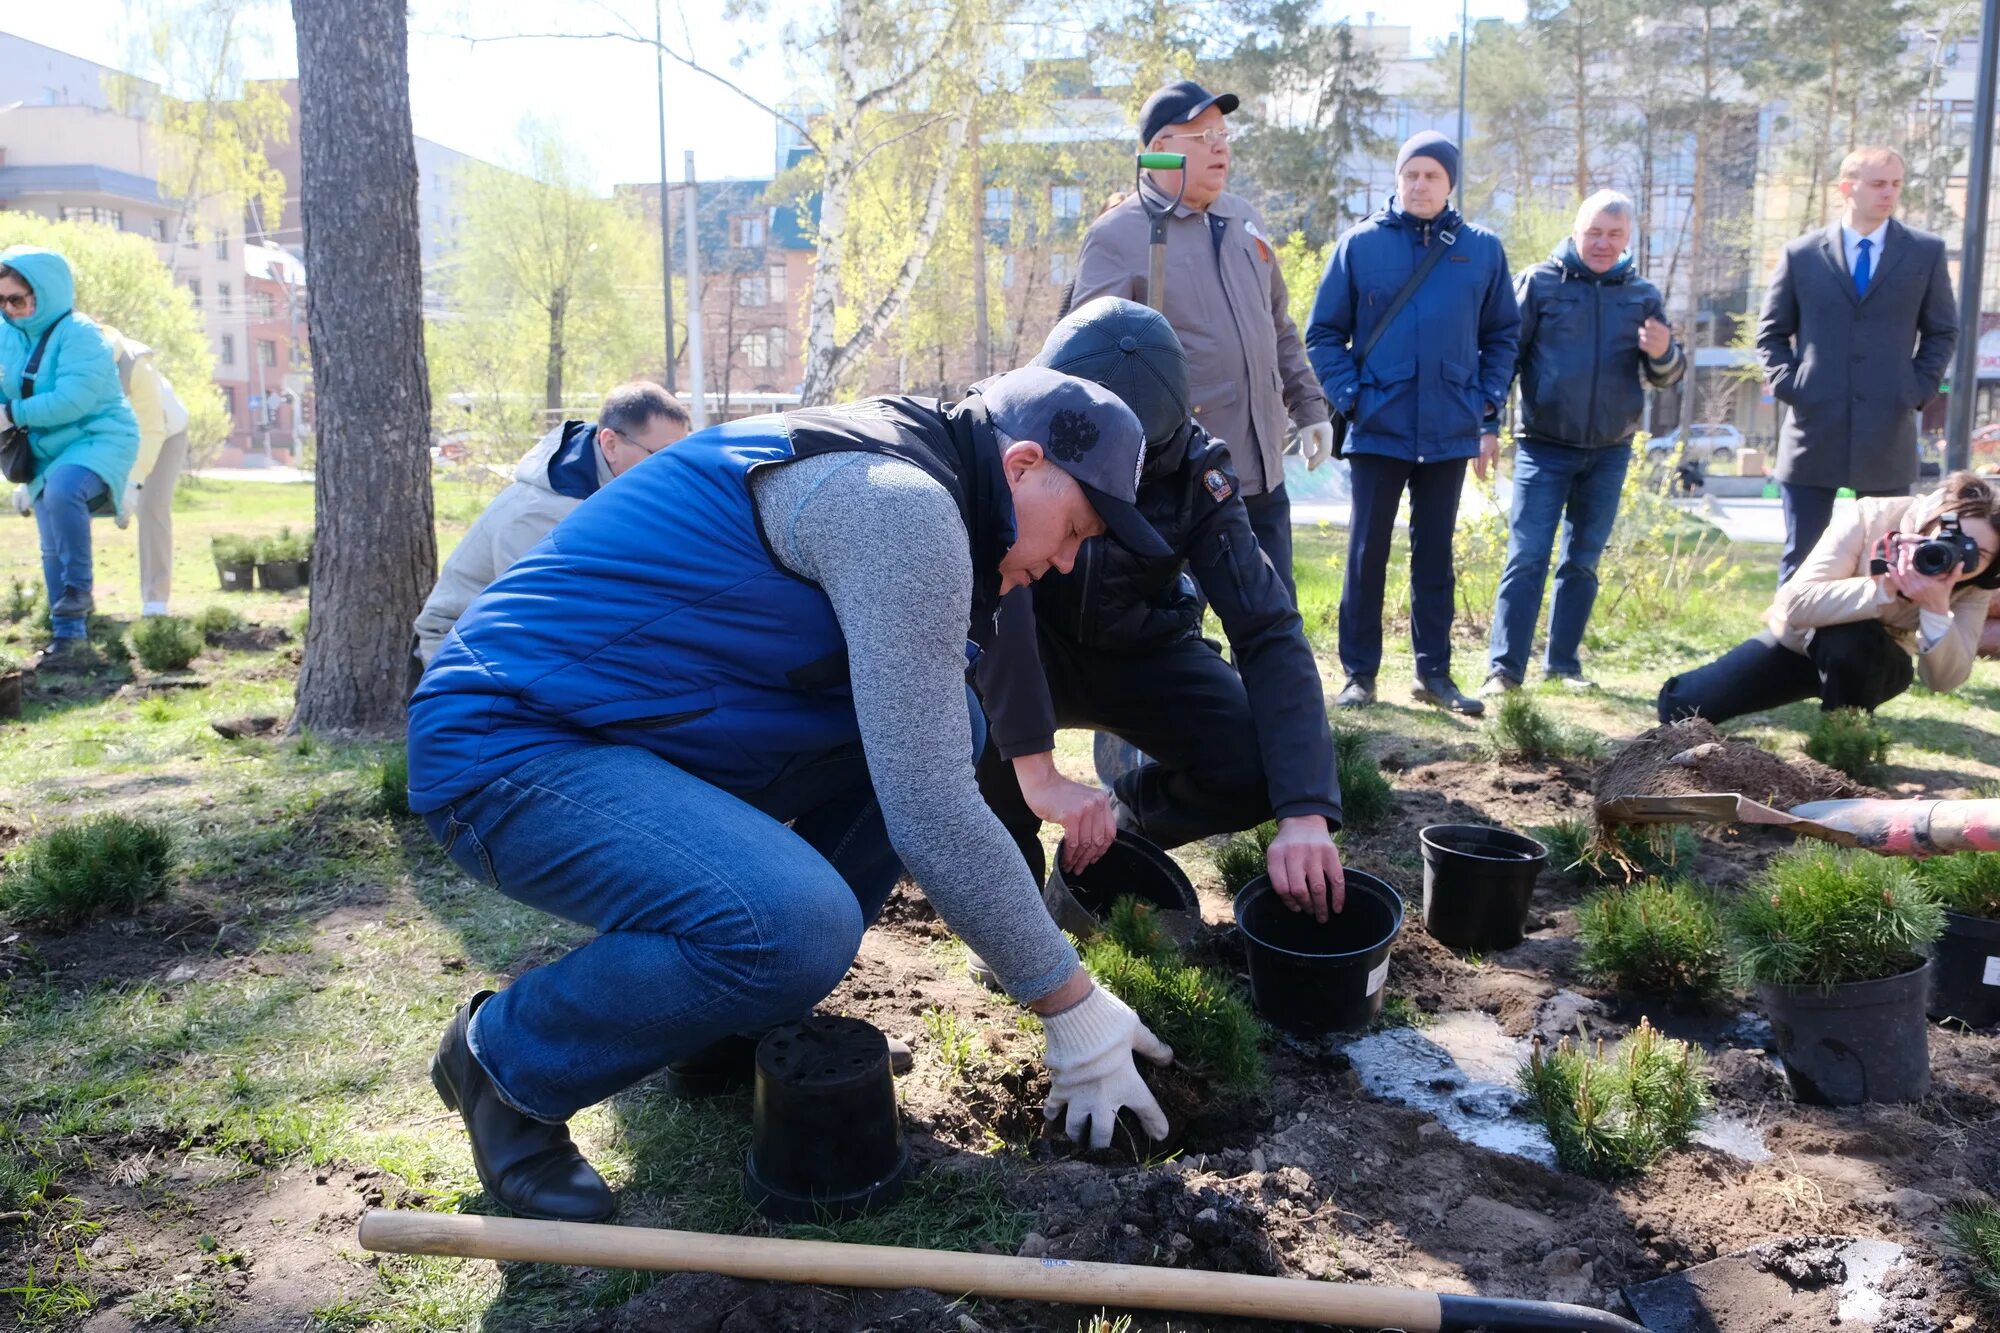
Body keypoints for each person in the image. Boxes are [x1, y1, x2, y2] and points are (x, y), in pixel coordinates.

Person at [407, 367, 1177, 1221]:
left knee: (947, 721)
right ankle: (506, 1063)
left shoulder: (914, 476)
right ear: (1023, 464)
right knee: (795, 924)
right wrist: (1071, 1005)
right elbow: (931, 810)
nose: (1065, 562)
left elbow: (920, 753)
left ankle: (721, 1020)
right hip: (508, 739)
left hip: (617, 726)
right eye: (1074, 530)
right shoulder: (901, 506)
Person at [973, 297, 1344, 918]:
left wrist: (1306, 810)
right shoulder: (997, 432)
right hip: (1026, 644)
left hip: (1145, 647)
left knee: (1257, 764)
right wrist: (1035, 763)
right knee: (975, 726)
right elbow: (999, 591)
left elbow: (1267, 629)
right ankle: (1007, 905)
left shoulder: (1200, 475)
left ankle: (1122, 826)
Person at [1068, 79, 1333, 602]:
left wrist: (1309, 407)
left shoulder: (1244, 221)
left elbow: (1277, 324)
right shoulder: (1119, 236)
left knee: (1274, 621)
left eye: (1224, 134)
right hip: (1178, 481)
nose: (1220, 145)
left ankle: (1270, 690)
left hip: (1262, 470)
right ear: (1160, 150)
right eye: (1202, 134)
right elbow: (1086, 363)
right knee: (1178, 636)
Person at [1306, 131, 1521, 715]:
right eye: (1411, 174)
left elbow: (1503, 334)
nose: (1420, 184)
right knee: (1366, 553)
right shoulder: (1359, 245)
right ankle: (1359, 675)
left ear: (1450, 183)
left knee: (1435, 556)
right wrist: (1350, 396)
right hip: (1379, 425)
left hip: (1450, 427)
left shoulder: (1481, 249)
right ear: (1397, 179)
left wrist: (1486, 399)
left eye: (1432, 175)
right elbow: (1322, 333)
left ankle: (1435, 675)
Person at [1484, 191, 1685, 696]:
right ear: (1576, 231)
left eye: (1614, 235)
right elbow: (1501, 360)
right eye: (1594, 232)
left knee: (1584, 561)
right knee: (1526, 557)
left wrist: (1664, 354)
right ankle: (1503, 672)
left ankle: (1564, 667)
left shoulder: (1641, 295)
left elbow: (1666, 376)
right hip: (1542, 447)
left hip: (1610, 451)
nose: (1602, 243)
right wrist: (1485, 425)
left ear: (1627, 240)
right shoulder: (1539, 284)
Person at [1756, 146, 1958, 585]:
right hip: (1813, 427)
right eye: (1878, 183)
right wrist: (1793, 386)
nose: (1889, 194)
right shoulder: (1802, 254)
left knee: (1884, 561)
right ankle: (1791, 652)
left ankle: (1874, 653)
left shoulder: (1924, 252)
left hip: (1888, 427)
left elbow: (1942, 331)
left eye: (1896, 184)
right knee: (1802, 558)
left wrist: (1917, 387)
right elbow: (1770, 333)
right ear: (1847, 187)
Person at [1657, 471, 1999, 725]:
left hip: (1876, 662)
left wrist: (1936, 608)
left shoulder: (1974, 584)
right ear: (1934, 521)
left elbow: (1945, 680)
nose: (1955, 557)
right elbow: (1793, 603)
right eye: (1951, 539)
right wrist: (1885, 587)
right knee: (1681, 706)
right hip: (1800, 643)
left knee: (1851, 639)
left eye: (1976, 554)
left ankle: (1841, 745)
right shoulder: (1871, 516)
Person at [412, 381, 690, 667]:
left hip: (529, 640)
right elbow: (538, 619)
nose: (673, 471)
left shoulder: (612, 485)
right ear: (610, 444)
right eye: (662, 456)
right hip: (460, 651)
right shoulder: (542, 513)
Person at [0, 247, 139, 662]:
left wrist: (11, 413)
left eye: (18, 299)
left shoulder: (81, 333)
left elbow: (73, 399)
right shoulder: (5, 332)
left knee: (63, 490)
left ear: (46, 292)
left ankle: (79, 589)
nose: (9, 309)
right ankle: (68, 640)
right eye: (1, 300)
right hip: (43, 445)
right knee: (50, 545)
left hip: (98, 436)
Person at [101, 327, 191, 616]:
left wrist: (132, 485)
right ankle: (74, 599)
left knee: (152, 507)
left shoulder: (136, 366)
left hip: (165, 433)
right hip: (113, 437)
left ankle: (156, 600)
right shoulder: (69, 361)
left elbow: (152, 430)